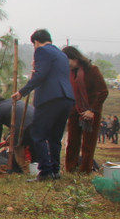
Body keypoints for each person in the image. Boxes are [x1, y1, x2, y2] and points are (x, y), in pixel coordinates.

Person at [12, 29, 74, 182]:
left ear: (36, 42)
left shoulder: (42, 51)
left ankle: (45, 171)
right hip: (66, 98)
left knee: (38, 135)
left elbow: (41, 75)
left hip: (50, 98)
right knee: (55, 137)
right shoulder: (61, 54)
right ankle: (55, 170)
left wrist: (22, 92)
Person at [61, 46, 108, 174]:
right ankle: (71, 168)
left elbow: (103, 91)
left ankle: (85, 170)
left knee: (88, 144)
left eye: (68, 61)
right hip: (75, 110)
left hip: (91, 112)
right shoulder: (70, 72)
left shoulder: (92, 70)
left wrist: (92, 110)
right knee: (72, 141)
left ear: (75, 58)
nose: (67, 64)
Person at [0, 95, 35, 174]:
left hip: (23, 127)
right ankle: (36, 169)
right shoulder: (16, 102)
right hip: (36, 123)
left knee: (16, 146)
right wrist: (9, 135)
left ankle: (19, 169)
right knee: (35, 147)